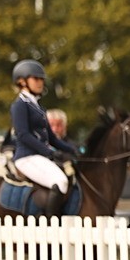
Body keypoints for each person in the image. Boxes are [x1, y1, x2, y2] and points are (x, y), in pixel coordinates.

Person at [9, 60, 78, 216]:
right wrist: (49, 152)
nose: (40, 82)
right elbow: (23, 135)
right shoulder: (19, 105)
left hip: (39, 156)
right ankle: (50, 224)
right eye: (36, 79)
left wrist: (73, 149)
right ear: (22, 81)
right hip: (26, 157)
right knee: (60, 181)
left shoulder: (38, 107)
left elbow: (53, 139)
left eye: (42, 79)